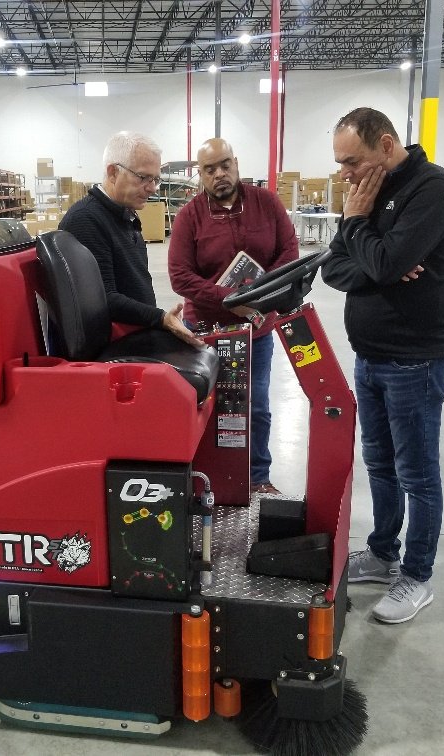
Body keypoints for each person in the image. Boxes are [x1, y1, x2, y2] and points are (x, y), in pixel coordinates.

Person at [320, 107, 444, 624]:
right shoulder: (367, 190)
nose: (345, 175)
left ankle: (417, 576)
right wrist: (381, 263)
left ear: (385, 144)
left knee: (417, 474)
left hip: (417, 361)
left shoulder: (434, 190)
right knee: (380, 465)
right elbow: (332, 267)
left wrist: (361, 230)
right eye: (339, 164)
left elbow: (378, 259)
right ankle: (383, 553)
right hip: (371, 357)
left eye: (351, 161)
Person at [168, 138, 299, 496]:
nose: (219, 174)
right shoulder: (189, 216)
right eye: (210, 169)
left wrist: (259, 297)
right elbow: (180, 275)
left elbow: (289, 251)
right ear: (201, 174)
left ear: (236, 163)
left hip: (257, 330)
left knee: (255, 407)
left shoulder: (266, 203)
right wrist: (230, 300)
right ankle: (204, 479)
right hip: (206, 332)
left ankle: (258, 478)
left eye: (225, 164)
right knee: (206, 407)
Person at [59, 131, 200, 347]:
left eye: (155, 179)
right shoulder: (86, 220)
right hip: (113, 348)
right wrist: (160, 319)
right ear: (113, 172)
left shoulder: (124, 214)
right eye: (143, 177)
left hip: (135, 334)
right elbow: (103, 298)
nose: (152, 188)